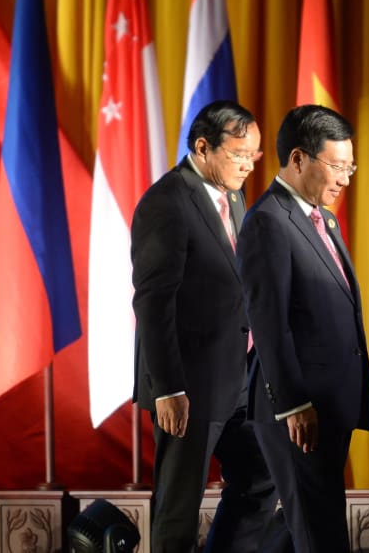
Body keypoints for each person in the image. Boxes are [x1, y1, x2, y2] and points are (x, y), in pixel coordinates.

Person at [132, 101, 278, 553]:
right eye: (239, 154)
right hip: (187, 386)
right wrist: (168, 389)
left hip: (237, 378)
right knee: (180, 505)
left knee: (261, 475)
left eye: (254, 154)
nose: (249, 165)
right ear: (203, 147)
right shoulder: (167, 201)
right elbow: (154, 304)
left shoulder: (231, 195)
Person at [236, 104, 369, 553]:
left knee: (312, 525)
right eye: (337, 166)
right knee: (318, 534)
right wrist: (294, 404)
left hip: (331, 405)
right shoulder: (267, 222)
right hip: (297, 410)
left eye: (350, 167)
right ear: (298, 159)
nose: (346, 178)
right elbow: (269, 322)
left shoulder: (324, 219)